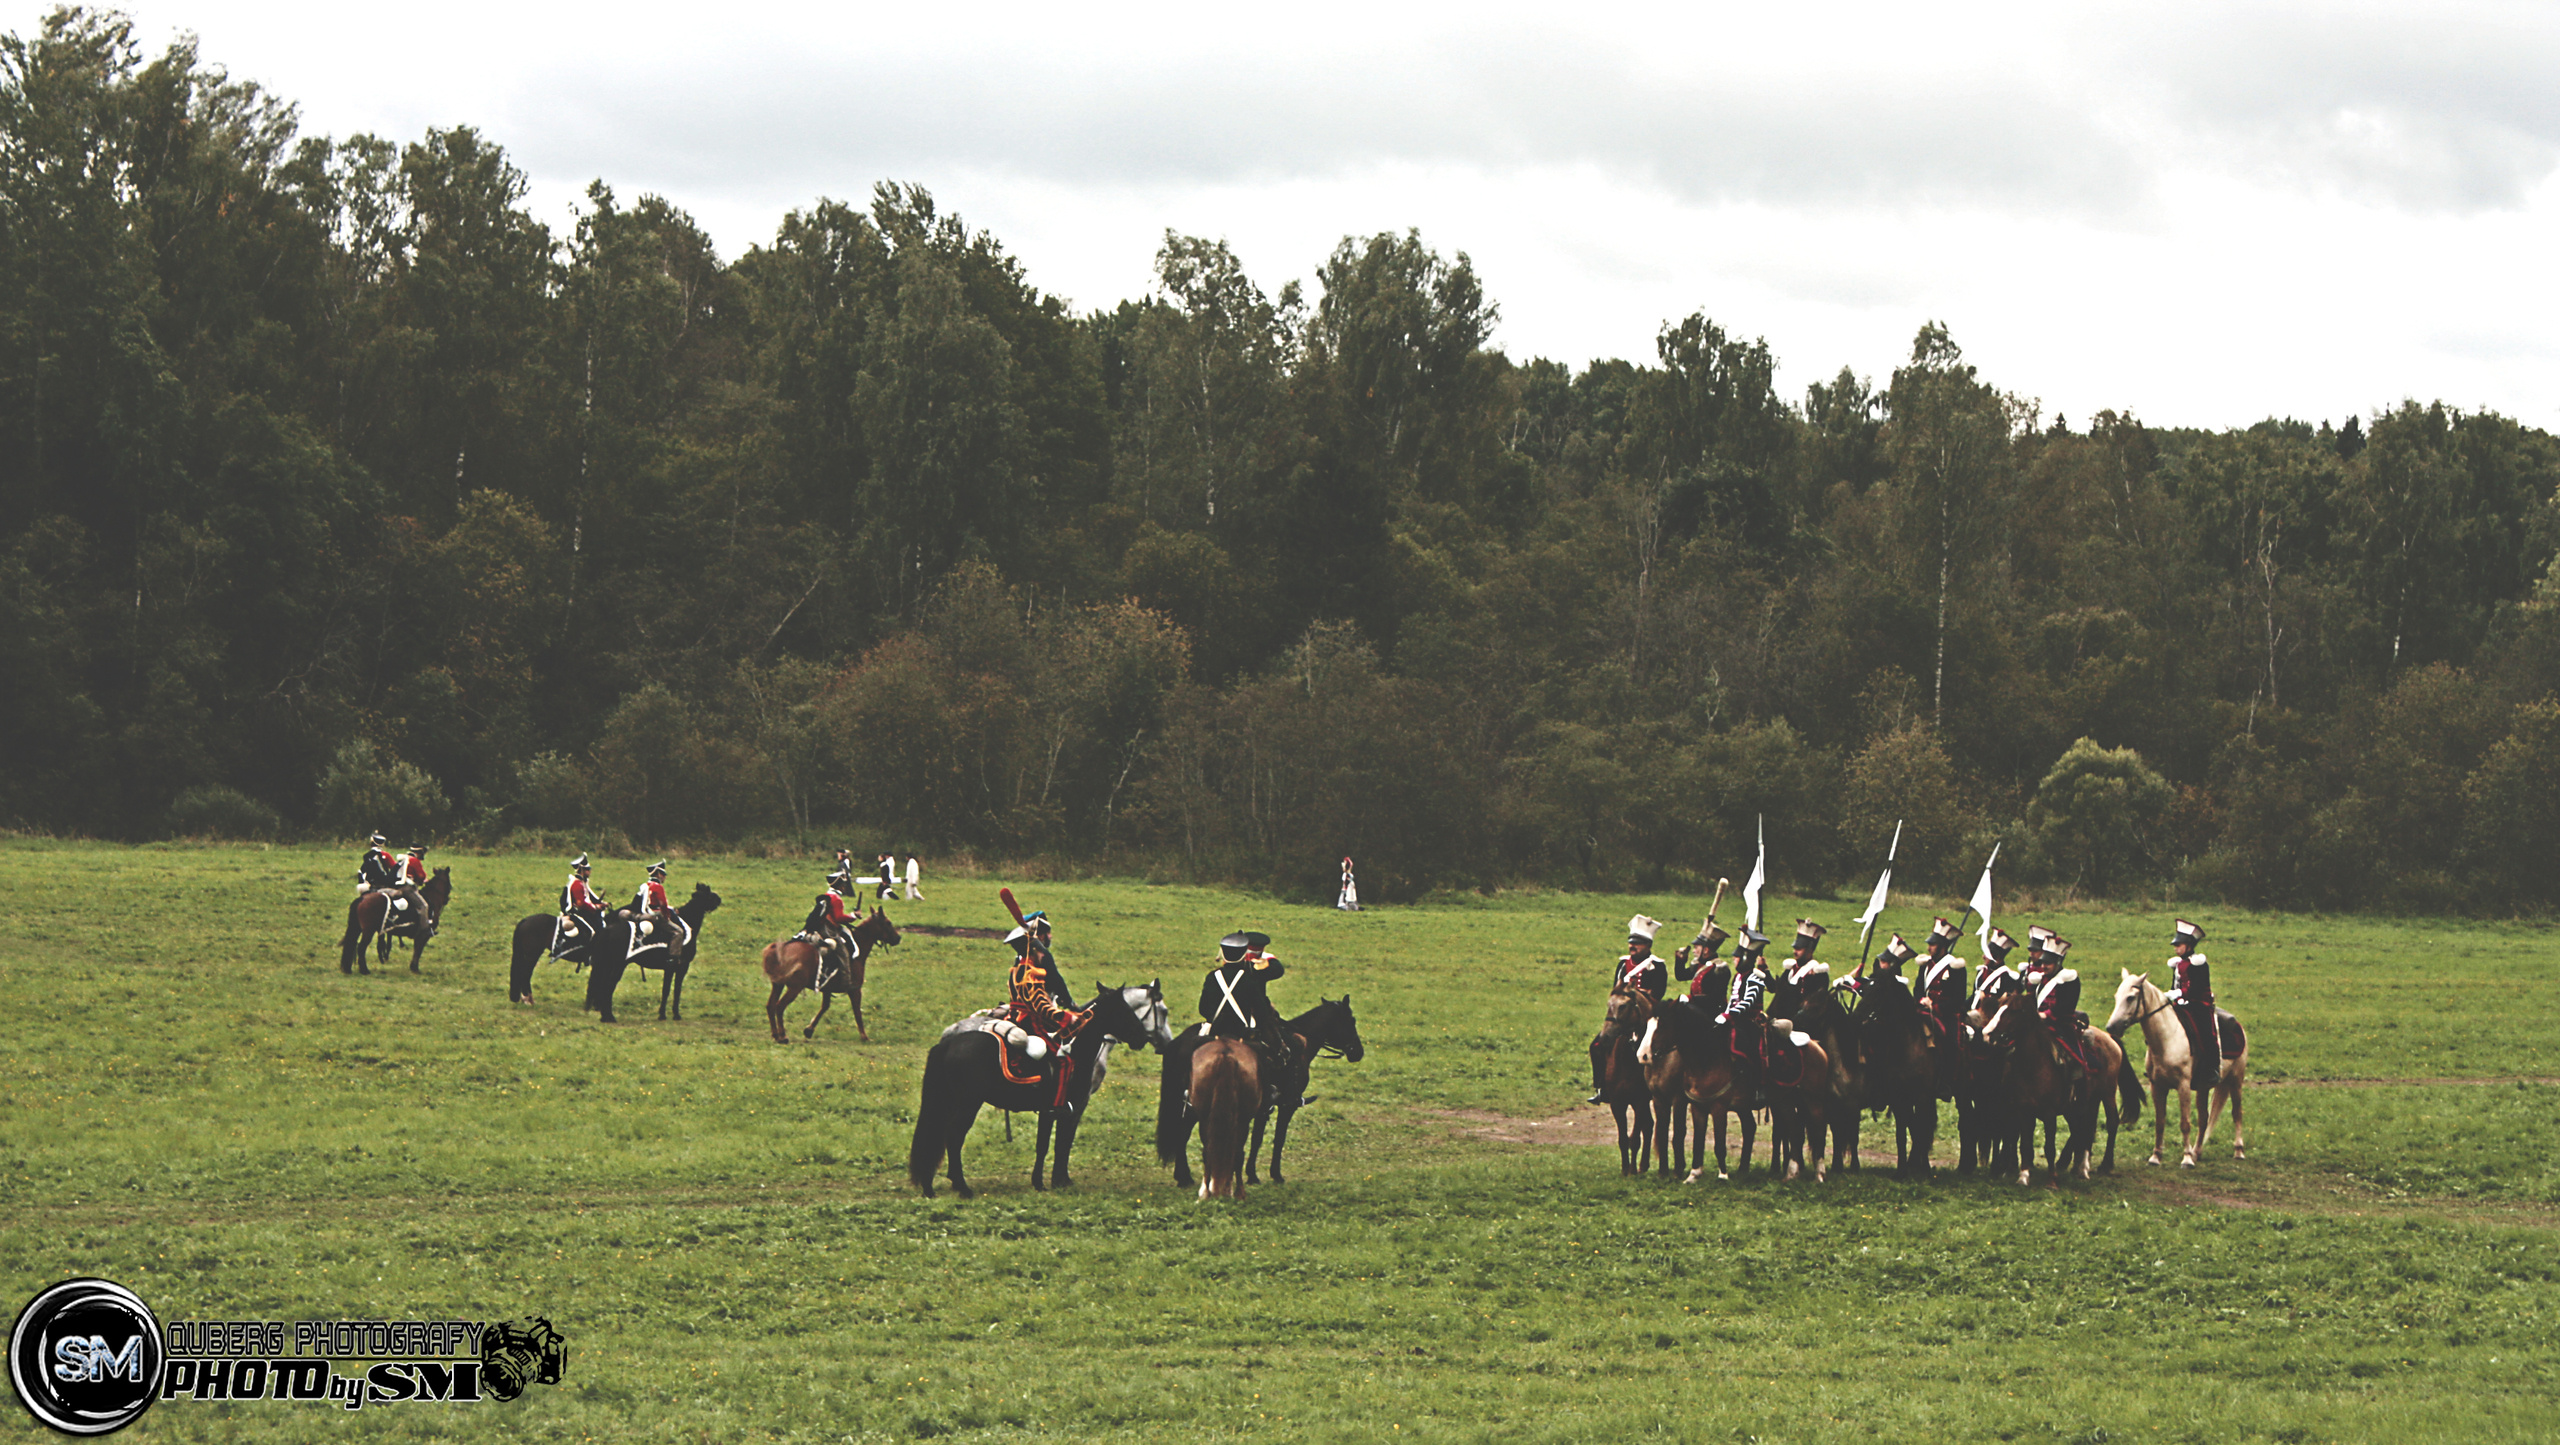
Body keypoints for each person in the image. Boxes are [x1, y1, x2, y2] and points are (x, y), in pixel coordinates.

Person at [1588, 915, 1665, 1103]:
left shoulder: (1656, 966)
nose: (1632, 946)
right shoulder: (1623, 964)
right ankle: (1602, 1086)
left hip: (1646, 1017)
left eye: (1638, 943)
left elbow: (1658, 994)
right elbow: (1617, 987)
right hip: (1624, 1017)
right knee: (1597, 1045)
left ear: (1648, 946)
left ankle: (1658, 1087)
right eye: (1631, 942)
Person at [1200, 929, 1291, 1082]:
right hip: (1245, 1025)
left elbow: (1203, 1008)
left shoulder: (1213, 976)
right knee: (1280, 1053)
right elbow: (1261, 1010)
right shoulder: (1254, 973)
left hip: (1216, 1026)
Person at [2169, 918, 2221, 1092]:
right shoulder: (2178, 964)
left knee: (2206, 1033)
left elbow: (2197, 989)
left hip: (2199, 1005)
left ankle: (2212, 1069)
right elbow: (2175, 984)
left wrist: (2179, 994)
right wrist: (2171, 996)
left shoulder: (2198, 963)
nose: (2176, 948)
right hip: (2181, 1004)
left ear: (2189, 945)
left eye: (2179, 945)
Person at [2033, 935, 2088, 1089]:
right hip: (2038, 1023)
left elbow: (2066, 1005)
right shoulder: (2042, 980)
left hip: (2060, 1024)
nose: (2044, 966)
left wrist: (2046, 1015)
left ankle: (2078, 1089)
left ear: (2058, 962)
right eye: (2043, 962)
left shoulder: (2069, 980)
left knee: (2074, 1058)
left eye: (2048, 963)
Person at [1917, 917, 1968, 1040]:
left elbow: (1958, 998)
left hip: (1945, 1014)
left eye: (1933, 945)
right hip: (1923, 1010)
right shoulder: (1925, 965)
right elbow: (1918, 989)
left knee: (1952, 1042)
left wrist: (1934, 1007)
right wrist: (1921, 1000)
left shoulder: (1956, 968)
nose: (1929, 948)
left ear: (1942, 946)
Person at [558, 853, 609, 955]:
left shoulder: (583, 883)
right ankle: (588, 953)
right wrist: (596, 907)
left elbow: (590, 898)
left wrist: (601, 904)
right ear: (581, 870)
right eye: (587, 869)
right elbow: (580, 904)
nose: (590, 871)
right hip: (575, 913)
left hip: (584, 911)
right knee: (592, 931)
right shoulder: (577, 884)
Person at [1675, 923, 1733, 1009]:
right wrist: (1680, 960)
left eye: (1696, 948)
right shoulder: (1699, 965)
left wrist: (1690, 999)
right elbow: (1681, 976)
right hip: (1696, 1009)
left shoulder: (1720, 969)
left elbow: (1715, 998)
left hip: (1713, 1012)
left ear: (1705, 950)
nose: (1693, 951)